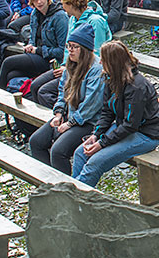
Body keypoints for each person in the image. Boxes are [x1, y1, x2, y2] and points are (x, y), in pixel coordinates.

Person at [72, 42, 159, 187]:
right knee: (79, 153)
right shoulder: (110, 78)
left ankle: (73, 199)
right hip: (122, 128)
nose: (100, 62)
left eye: (103, 59)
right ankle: (74, 192)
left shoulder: (137, 86)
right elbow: (107, 112)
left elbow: (130, 125)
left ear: (113, 62)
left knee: (95, 163)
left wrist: (102, 143)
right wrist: (96, 135)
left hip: (145, 134)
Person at [29, 24, 104, 174]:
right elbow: (62, 92)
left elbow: (91, 105)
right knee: (36, 141)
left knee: (58, 151)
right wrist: (58, 114)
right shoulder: (71, 66)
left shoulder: (96, 69)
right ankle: (51, 181)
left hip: (88, 121)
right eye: (69, 46)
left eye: (75, 46)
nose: (70, 50)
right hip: (70, 115)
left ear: (84, 49)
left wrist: (70, 123)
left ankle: (67, 188)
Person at [0, 0, 67, 96]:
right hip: (37, 56)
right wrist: (29, 46)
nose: (39, 2)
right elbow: (33, 39)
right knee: (11, 75)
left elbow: (61, 51)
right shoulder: (35, 13)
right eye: (35, 0)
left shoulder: (59, 16)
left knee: (8, 62)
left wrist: (37, 50)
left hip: (50, 60)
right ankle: (10, 108)